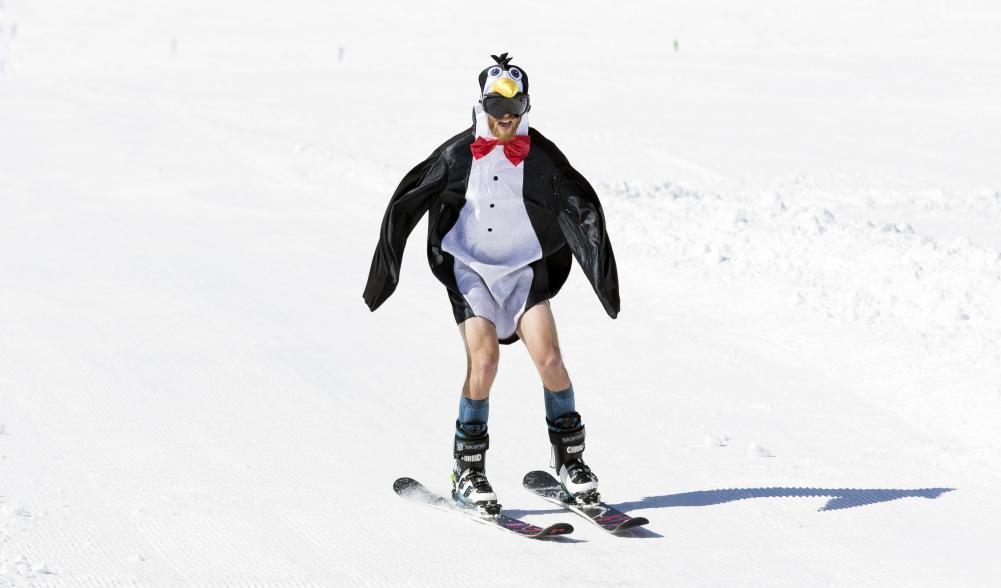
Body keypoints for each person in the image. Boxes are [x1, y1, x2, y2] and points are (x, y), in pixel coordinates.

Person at [363, 53, 619, 515]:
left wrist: (602, 275)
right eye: (495, 107)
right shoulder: (458, 154)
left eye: (514, 106)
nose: (505, 118)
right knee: (485, 360)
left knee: (552, 359)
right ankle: (468, 470)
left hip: (522, 271)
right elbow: (407, 199)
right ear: (481, 105)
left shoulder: (540, 156)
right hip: (471, 271)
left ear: (526, 107)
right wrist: (386, 272)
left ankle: (571, 462)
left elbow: (581, 205)